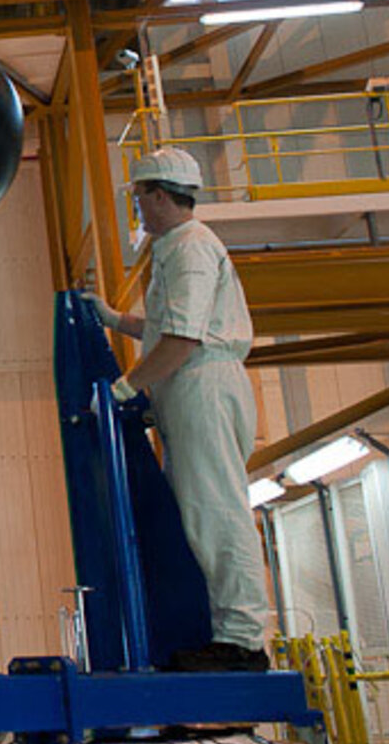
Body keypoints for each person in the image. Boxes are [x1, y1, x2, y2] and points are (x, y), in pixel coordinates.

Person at [85, 144, 270, 673]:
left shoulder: (189, 248)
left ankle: (240, 640)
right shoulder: (179, 247)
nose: (137, 205)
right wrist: (116, 320)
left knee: (216, 510)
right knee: (203, 509)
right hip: (193, 385)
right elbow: (169, 327)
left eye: (140, 195)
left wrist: (125, 388)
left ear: (159, 195)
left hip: (200, 384)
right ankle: (231, 633)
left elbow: (184, 339)